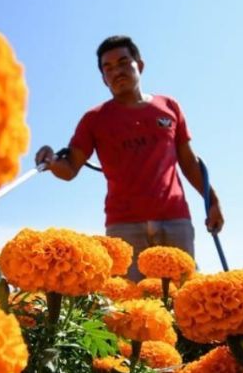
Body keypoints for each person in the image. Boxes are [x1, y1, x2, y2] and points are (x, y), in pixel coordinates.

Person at [35, 35, 225, 281]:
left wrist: (213, 202)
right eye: (108, 68)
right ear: (103, 79)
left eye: (124, 62)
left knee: (180, 301)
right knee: (129, 306)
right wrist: (51, 163)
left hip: (175, 219)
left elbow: (188, 161)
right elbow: (69, 168)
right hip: (123, 226)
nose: (117, 71)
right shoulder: (94, 119)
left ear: (140, 65)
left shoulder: (169, 107)